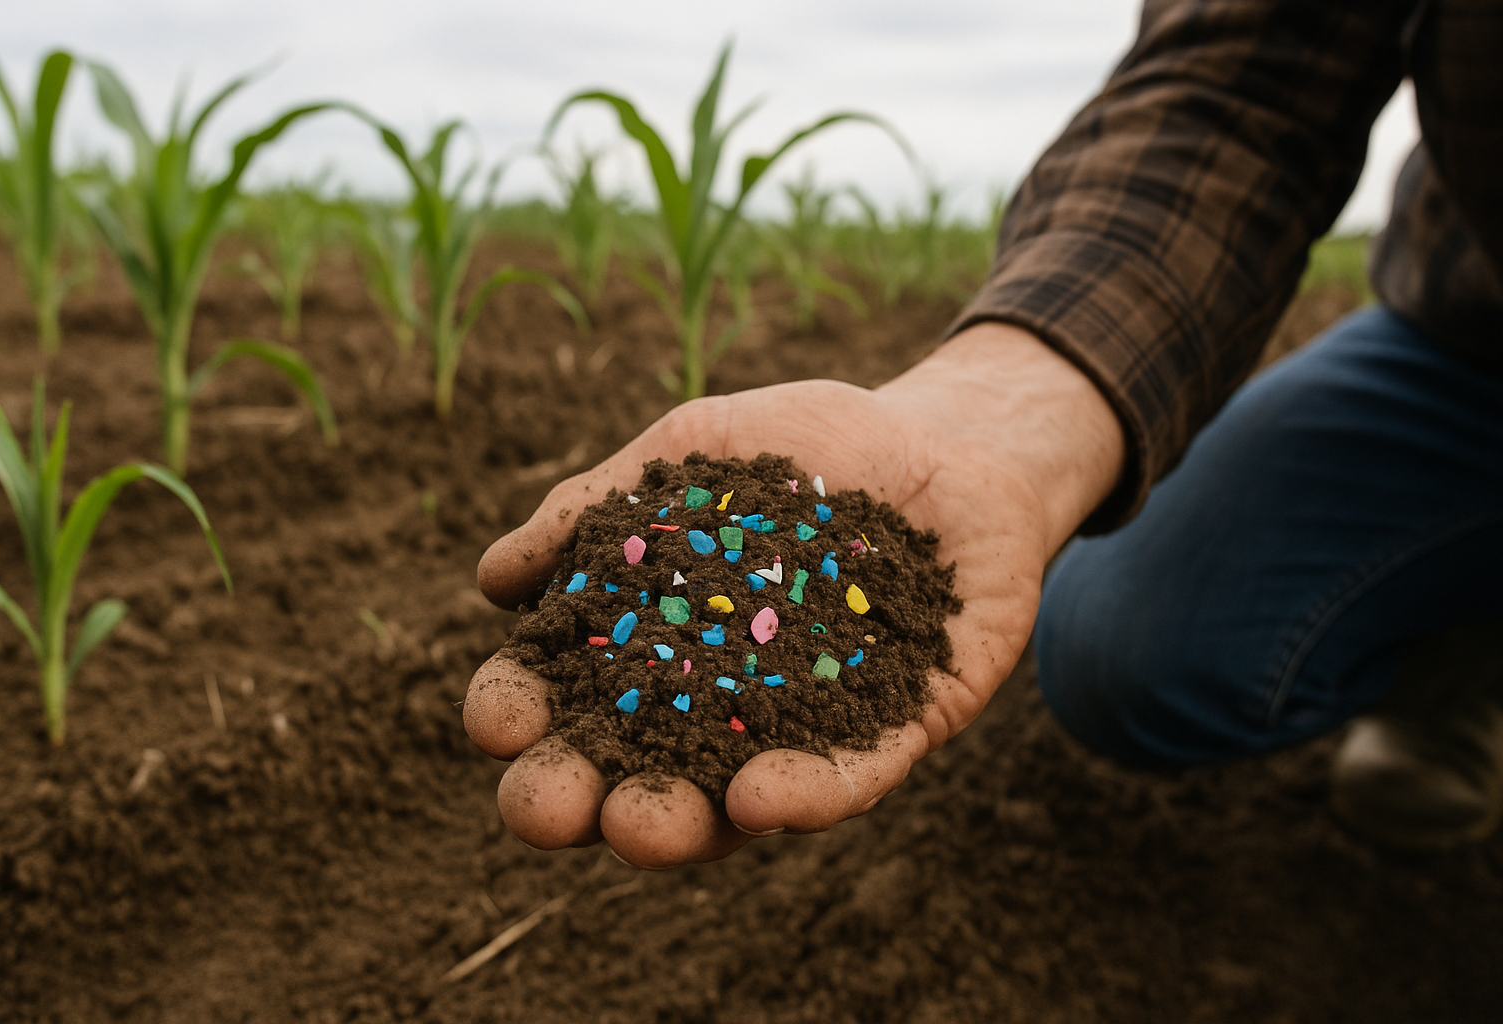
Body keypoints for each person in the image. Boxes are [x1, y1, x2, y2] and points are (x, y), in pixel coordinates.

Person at [464, 0, 1503, 868]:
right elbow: (1240, 87)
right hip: (1472, 341)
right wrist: (997, 406)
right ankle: (1452, 642)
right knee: (1130, 637)